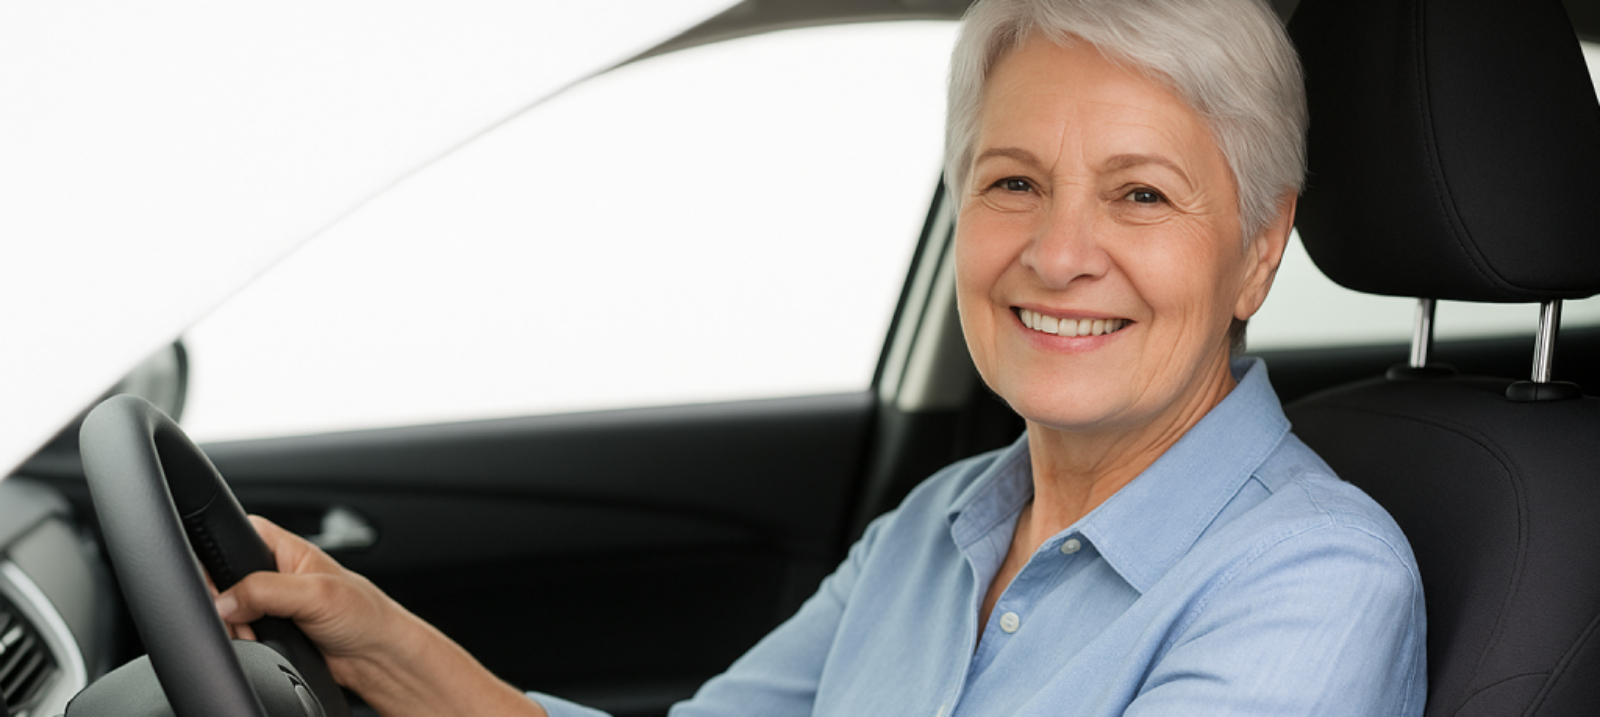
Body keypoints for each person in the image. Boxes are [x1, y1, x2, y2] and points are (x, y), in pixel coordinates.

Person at [215, 0, 1427, 714]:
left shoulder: (1315, 583)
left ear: (1259, 254)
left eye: (1141, 195)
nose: (1059, 255)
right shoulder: (939, 526)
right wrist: (376, 639)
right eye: (1012, 183)